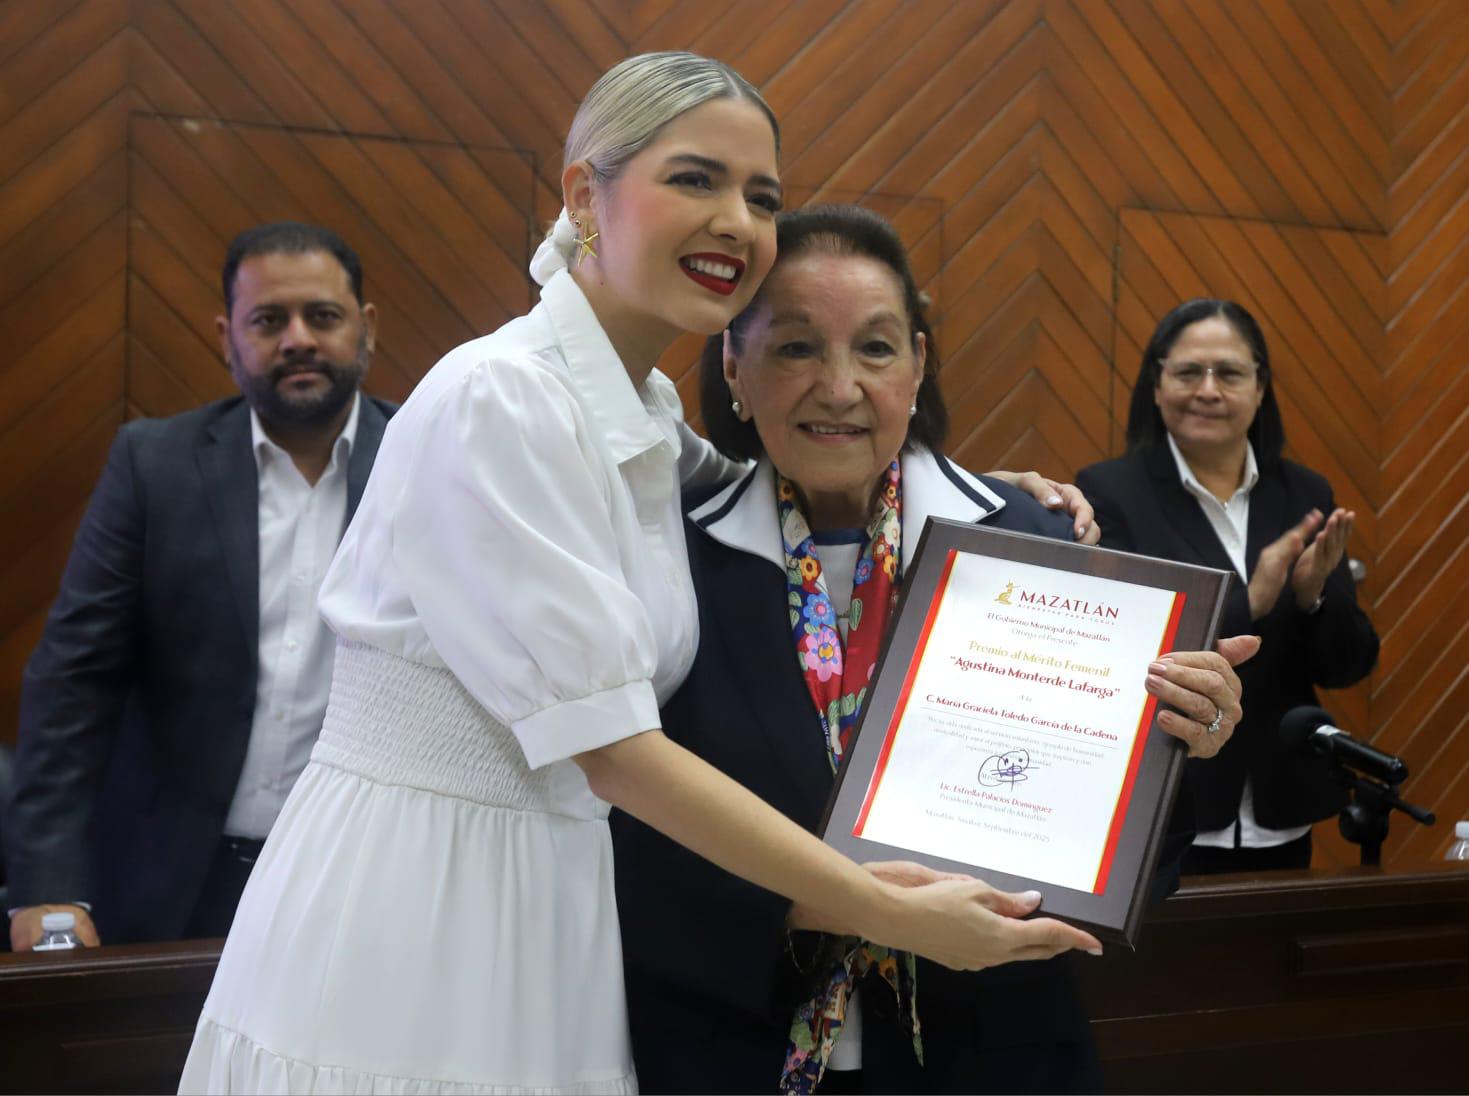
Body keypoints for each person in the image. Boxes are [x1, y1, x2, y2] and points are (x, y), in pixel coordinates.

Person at [180, 53, 1104, 1095]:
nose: (737, 223)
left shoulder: (646, 418)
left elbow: (806, 472)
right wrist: (882, 906)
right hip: (425, 893)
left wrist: (994, 500)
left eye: (761, 196)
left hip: (553, 895)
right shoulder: (500, 398)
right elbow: (615, 752)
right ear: (585, 193)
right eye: (695, 180)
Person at [611, 205, 1255, 1094]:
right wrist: (820, 902)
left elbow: (1131, 866)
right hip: (730, 1049)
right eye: (795, 347)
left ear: (916, 366)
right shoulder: (664, 555)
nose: (838, 388)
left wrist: (1188, 742)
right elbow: (620, 842)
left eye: (875, 349)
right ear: (733, 364)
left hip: (989, 1053)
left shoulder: (1036, 545)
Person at [5, 223, 393, 951]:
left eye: (324, 316)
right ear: (227, 337)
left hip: (359, 881)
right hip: (172, 884)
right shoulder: (155, 466)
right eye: (268, 320)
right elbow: (72, 682)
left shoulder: (423, 465)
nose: (298, 340)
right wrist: (47, 886)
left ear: (365, 328)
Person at [1076, 299, 1379, 874]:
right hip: (1166, 803)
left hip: (1280, 810)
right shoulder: (1110, 493)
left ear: (1260, 389)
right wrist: (1255, 600)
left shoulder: (1305, 493)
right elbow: (1117, 658)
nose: (1208, 390)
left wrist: (1315, 597)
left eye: (1230, 373)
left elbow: (1347, 665)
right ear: (1158, 384)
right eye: (1189, 372)